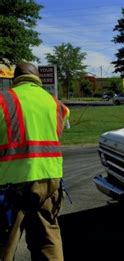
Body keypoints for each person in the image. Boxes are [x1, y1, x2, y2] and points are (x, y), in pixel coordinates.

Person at [0, 62, 70, 261]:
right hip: (49, 182)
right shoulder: (57, 105)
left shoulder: (4, 100)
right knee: (47, 240)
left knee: (6, 244)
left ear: (15, 79)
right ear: (38, 79)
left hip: (11, 184)